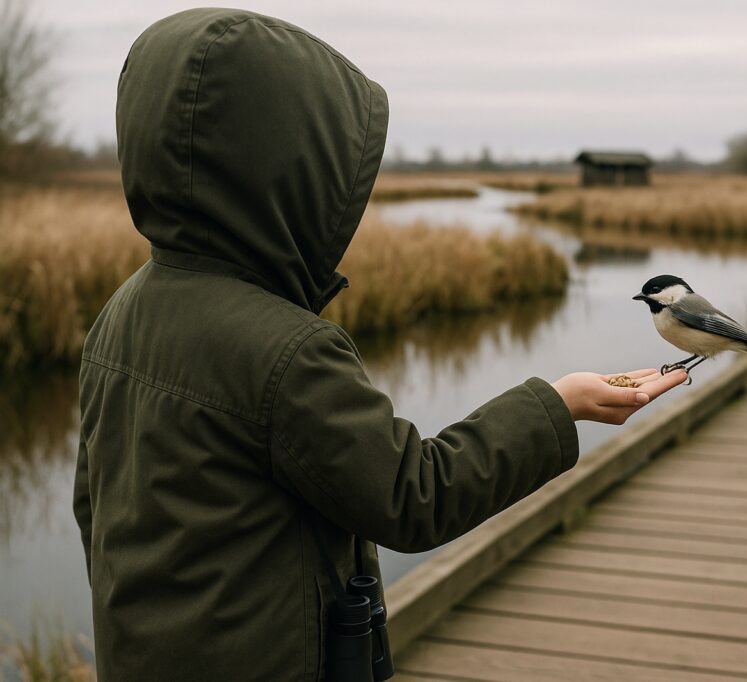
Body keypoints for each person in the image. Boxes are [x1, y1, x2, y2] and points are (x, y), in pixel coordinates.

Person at [72, 8, 688, 681]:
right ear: (285, 175)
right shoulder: (288, 352)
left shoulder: (119, 315)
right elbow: (414, 497)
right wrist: (558, 404)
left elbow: (92, 506)